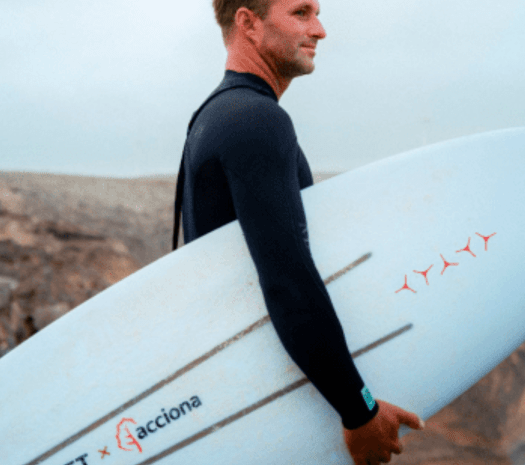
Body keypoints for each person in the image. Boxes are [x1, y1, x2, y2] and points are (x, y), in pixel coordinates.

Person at [171, 0, 425, 463]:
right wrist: (358, 409)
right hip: (273, 391)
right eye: (301, 13)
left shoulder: (215, 115)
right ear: (248, 23)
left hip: (249, 397)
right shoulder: (255, 120)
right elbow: (288, 280)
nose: (321, 30)